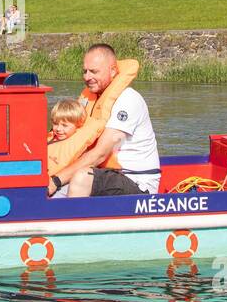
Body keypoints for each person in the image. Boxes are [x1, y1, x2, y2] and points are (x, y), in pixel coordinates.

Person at [49, 43, 160, 198]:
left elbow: (100, 154)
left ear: (113, 71)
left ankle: (73, 220)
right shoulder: (89, 99)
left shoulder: (127, 100)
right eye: (85, 71)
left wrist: (56, 180)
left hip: (135, 181)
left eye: (94, 71)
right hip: (103, 173)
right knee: (54, 191)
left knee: (82, 177)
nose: (87, 77)